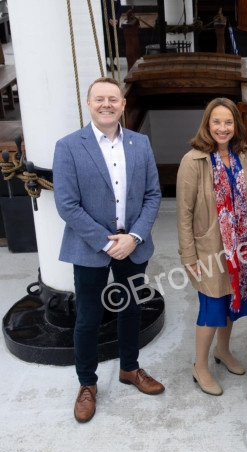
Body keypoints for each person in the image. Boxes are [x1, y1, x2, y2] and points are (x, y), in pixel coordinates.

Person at [53, 77, 164, 423]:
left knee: (130, 308)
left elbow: (152, 195)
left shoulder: (140, 143)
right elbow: (67, 205)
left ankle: (130, 368)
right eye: (99, 99)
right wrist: (105, 241)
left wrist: (134, 237)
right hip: (90, 247)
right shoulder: (69, 146)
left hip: (133, 244)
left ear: (122, 104)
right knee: (87, 317)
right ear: (88, 104)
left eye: (112, 99)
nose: (106, 104)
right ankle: (87, 383)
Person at [176, 97, 247, 396]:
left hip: (242, 246)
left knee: (233, 300)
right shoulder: (193, 161)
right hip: (210, 250)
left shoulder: (244, 154)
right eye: (217, 122)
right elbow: (184, 212)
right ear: (207, 125)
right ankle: (200, 365)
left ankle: (223, 351)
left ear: (236, 125)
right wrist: (188, 254)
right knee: (212, 308)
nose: (223, 128)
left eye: (228, 122)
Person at [101, 0, 122, 71]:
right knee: (106, 43)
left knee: (114, 43)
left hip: (115, 24)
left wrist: (116, 19)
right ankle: (105, 62)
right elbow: (103, 10)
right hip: (106, 24)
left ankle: (112, 62)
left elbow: (119, 9)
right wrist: (109, 19)